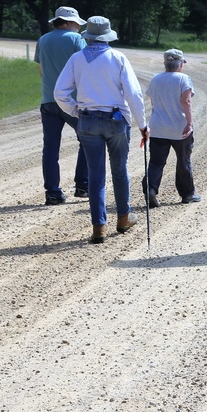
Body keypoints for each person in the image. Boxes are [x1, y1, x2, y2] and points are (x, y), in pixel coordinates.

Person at [54, 16, 148, 244]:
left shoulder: (77, 59)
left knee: (96, 175)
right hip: (116, 119)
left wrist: (76, 111)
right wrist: (143, 125)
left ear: (88, 37)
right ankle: (124, 218)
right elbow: (133, 94)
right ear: (107, 37)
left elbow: (59, 92)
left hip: (87, 120)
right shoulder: (117, 57)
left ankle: (99, 227)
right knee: (119, 170)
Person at [35, 6, 89, 205]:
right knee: (86, 139)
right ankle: (83, 185)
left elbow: (41, 70)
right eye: (76, 23)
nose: (77, 27)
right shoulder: (76, 40)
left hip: (48, 100)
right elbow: (86, 66)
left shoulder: (43, 39)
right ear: (67, 22)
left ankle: (53, 193)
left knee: (50, 148)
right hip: (73, 100)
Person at [143, 49, 199, 207]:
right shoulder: (183, 78)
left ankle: (151, 189)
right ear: (181, 64)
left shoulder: (156, 79)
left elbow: (153, 102)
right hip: (179, 128)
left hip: (158, 127)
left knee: (156, 161)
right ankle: (187, 194)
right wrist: (189, 123)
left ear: (165, 63)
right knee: (183, 161)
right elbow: (186, 102)